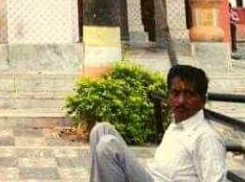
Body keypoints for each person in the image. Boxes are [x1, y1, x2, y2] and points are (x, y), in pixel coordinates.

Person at [89, 64, 227, 182]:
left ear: (202, 100)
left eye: (189, 94)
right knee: (101, 130)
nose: (181, 101)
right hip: (151, 177)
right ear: (169, 96)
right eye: (175, 93)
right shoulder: (179, 123)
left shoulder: (206, 138)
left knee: (108, 145)